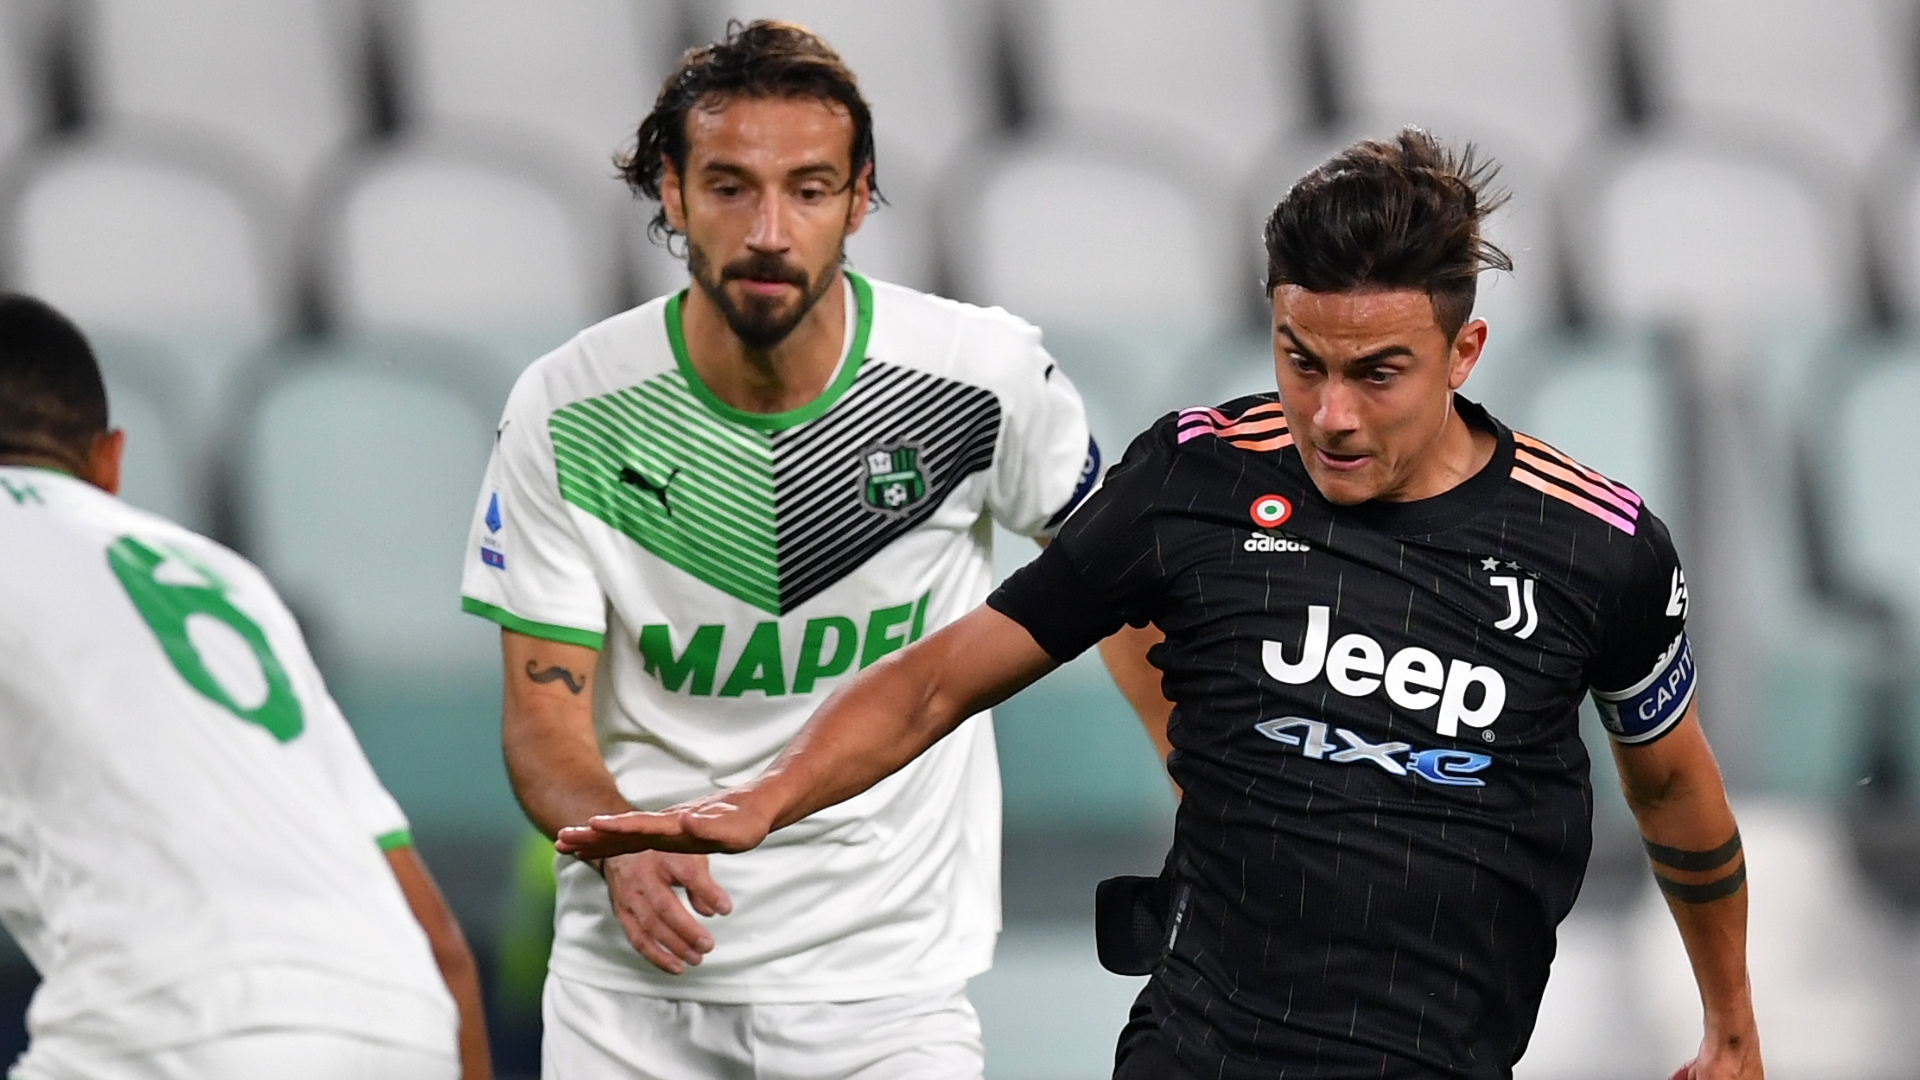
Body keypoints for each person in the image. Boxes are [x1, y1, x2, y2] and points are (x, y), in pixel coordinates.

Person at [557, 129, 1765, 1080]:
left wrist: (1729, 1022)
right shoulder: (1195, 478)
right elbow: (940, 678)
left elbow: (1671, 787)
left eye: (1378, 373)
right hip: (1198, 1048)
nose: (1331, 414)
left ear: (1465, 352)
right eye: (1301, 359)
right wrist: (764, 797)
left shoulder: (1597, 548)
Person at [456, 21, 1103, 1079]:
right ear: (671, 193)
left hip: (888, 992)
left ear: (859, 198)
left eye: (808, 189)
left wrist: (1202, 801)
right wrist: (622, 839)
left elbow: (1119, 588)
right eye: (729, 187)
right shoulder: (567, 410)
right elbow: (541, 719)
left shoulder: (980, 378)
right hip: (631, 996)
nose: (768, 230)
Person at [0, 294, 490, 1080]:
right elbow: (439, 941)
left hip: (173, 1029)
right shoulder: (230, 582)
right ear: (110, 460)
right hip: (403, 1023)